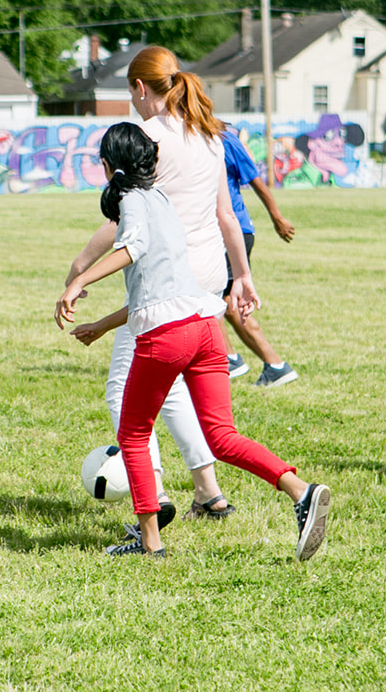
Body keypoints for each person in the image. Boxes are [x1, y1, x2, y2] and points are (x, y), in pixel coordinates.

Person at [56, 122, 330, 559]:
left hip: (168, 337)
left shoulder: (130, 200)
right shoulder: (160, 198)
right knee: (221, 436)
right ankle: (301, 490)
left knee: (132, 433)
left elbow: (133, 247)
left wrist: (78, 281)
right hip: (204, 327)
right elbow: (162, 290)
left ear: (108, 165)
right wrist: (103, 326)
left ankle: (151, 545)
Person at [64, 46, 258, 525]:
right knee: (171, 391)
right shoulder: (207, 133)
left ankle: (152, 499)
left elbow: (131, 219)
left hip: (168, 277)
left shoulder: (147, 136)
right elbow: (225, 214)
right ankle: (209, 492)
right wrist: (243, 274)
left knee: (121, 390)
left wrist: (80, 266)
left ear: (138, 87)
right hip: (210, 273)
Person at [218, 123, 299, 387]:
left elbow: (257, 182)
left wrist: (277, 218)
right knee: (220, 301)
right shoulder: (191, 139)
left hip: (233, 231)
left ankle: (248, 361)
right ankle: (240, 360)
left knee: (216, 300)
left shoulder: (225, 141)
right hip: (215, 232)